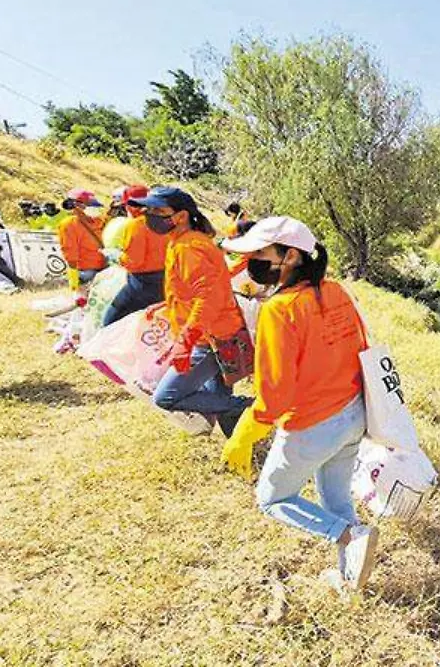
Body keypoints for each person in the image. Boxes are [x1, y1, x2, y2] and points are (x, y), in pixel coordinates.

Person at [219, 216, 378, 590]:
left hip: (312, 425)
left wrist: (246, 432)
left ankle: (349, 537)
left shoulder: (280, 310)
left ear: (290, 256)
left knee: (273, 498)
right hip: (354, 413)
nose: (253, 262)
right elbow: (362, 347)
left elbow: (276, 392)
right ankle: (348, 577)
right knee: (336, 499)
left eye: (260, 253)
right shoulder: (336, 291)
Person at [128, 186, 251, 436]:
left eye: (157, 210)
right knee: (219, 397)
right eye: (148, 209)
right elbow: (197, 289)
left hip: (210, 337)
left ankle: (251, 407)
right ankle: (241, 449)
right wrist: (165, 305)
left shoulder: (188, 247)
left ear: (181, 216)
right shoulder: (182, 242)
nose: (149, 215)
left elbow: (208, 297)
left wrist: (185, 342)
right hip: (214, 332)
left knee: (166, 397)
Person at [102, 185, 169, 326]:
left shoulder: (135, 226)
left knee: (110, 321)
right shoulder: (166, 222)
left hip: (142, 284)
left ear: (130, 206)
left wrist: (116, 256)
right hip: (165, 280)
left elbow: (134, 262)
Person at [56, 188, 108, 291]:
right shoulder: (68, 224)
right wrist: (74, 279)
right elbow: (70, 253)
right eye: (90, 204)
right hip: (87, 272)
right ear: (77, 205)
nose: (93, 208)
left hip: (104, 268)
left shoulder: (97, 220)